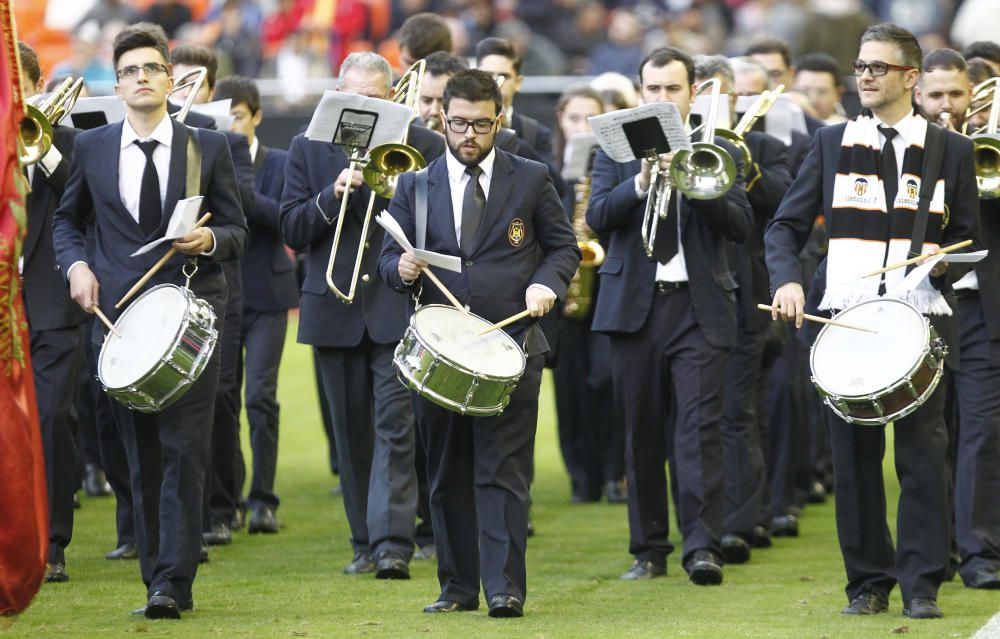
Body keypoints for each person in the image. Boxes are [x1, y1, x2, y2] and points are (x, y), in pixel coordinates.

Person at [765, 24, 980, 619]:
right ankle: (867, 582)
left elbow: (966, 233)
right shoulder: (832, 143)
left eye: (877, 67)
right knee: (854, 461)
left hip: (920, 322)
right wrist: (786, 279)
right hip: (844, 321)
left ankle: (922, 584)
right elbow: (784, 226)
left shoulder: (951, 151)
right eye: (860, 66)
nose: (864, 75)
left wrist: (941, 264)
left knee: (921, 458)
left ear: (910, 77)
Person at [51, 22, 247, 619]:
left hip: (189, 319)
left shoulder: (207, 145)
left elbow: (238, 230)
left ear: (170, 77)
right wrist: (76, 267)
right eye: (130, 70)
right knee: (139, 460)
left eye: (151, 69)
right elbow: (66, 222)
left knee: (185, 452)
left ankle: (171, 583)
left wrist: (208, 237)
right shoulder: (91, 147)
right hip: (117, 326)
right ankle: (155, 572)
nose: (141, 79)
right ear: (119, 82)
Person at [378, 69, 580, 617]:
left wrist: (546, 283)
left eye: (482, 124)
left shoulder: (532, 177)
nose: (470, 134)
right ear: (443, 119)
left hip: (511, 346)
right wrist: (400, 267)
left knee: (504, 472)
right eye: (460, 123)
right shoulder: (413, 185)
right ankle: (457, 587)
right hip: (440, 353)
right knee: (445, 474)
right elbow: (384, 263)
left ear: (500, 120)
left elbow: (564, 248)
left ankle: (505, 588)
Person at [587, 46, 753, 585]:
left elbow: (740, 226)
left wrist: (693, 181)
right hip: (633, 306)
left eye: (672, 89)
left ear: (692, 91)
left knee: (699, 429)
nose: (661, 98)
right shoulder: (614, 146)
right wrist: (638, 183)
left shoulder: (718, 144)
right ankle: (649, 548)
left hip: (698, 306)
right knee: (640, 433)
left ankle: (702, 546)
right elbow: (596, 216)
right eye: (652, 89)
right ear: (640, 93)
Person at [280, 51, 444, 580]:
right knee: (351, 437)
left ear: (393, 98)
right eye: (353, 98)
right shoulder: (308, 146)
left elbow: (439, 223)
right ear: (338, 95)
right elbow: (291, 228)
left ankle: (394, 544)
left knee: (396, 428)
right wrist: (333, 194)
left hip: (396, 305)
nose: (363, 108)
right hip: (334, 307)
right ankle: (363, 541)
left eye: (373, 99)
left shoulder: (424, 145)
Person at [693, 53, 793, 561]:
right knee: (698, 416)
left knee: (739, 412)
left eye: (720, 95)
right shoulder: (679, 150)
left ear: (734, 100)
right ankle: (701, 522)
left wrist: (746, 166)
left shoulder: (766, 146)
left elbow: (783, 206)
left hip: (747, 294)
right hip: (695, 297)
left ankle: (740, 521)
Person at [915, 48, 1000, 590]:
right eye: (936, 96)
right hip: (921, 305)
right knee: (928, 434)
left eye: (956, 95)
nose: (946, 106)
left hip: (981, 307)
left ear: (972, 96)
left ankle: (979, 552)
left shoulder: (987, 147)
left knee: (983, 429)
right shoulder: (907, 147)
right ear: (918, 96)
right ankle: (934, 548)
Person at [170, 43, 257, 548]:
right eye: (175, 82)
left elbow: (240, 209)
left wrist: (214, 141)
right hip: (163, 284)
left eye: (192, 85)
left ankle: (221, 506)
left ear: (209, 92)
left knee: (221, 397)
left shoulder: (227, 141)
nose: (182, 92)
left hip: (217, 283)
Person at [17, 41, 89, 585]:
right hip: (4, 297)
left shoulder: (68, 142)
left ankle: (53, 541)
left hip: (49, 302)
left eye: (18, 83)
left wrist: (40, 147)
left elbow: (82, 201)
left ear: (36, 85)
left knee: (50, 419)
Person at [213, 74, 298, 534]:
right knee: (223, 399)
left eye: (238, 117)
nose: (230, 125)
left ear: (256, 117)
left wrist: (242, 191)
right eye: (223, 117)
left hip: (267, 294)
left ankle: (263, 499)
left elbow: (283, 219)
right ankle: (226, 500)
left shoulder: (279, 161)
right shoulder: (206, 158)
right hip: (223, 296)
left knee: (260, 398)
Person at [548, 83, 626, 504]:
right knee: (571, 389)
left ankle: (616, 473)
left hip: (608, 289)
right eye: (574, 118)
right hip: (565, 296)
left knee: (608, 381)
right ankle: (583, 478)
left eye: (590, 119)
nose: (581, 127)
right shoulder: (547, 167)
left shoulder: (617, 165)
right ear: (561, 120)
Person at [793, 52, 848, 124]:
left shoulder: (846, 130)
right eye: (804, 91)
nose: (813, 100)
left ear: (838, 94)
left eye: (822, 92)